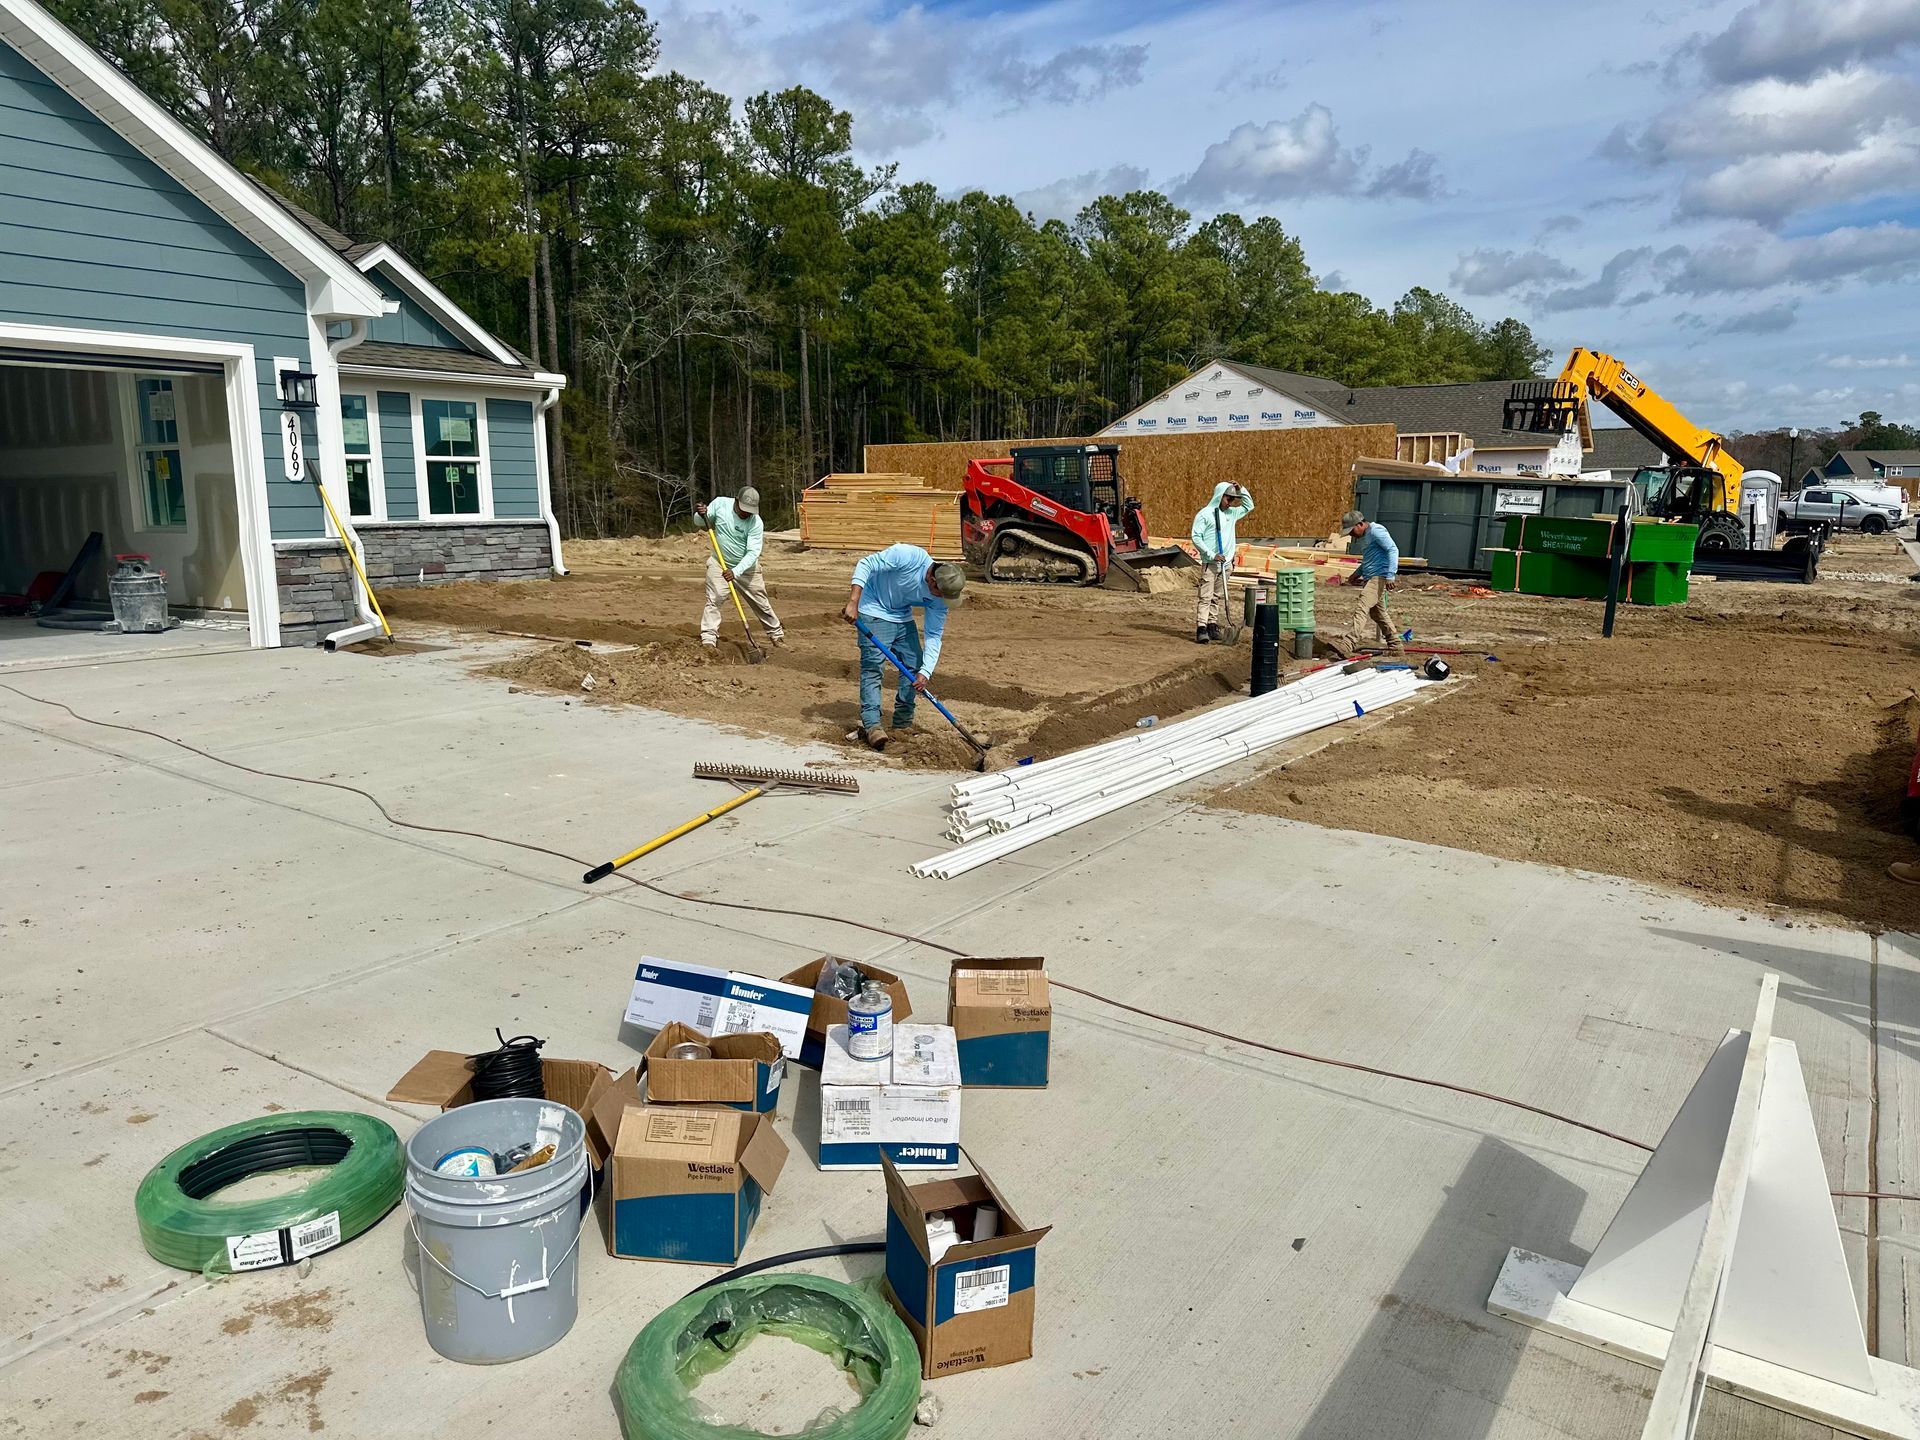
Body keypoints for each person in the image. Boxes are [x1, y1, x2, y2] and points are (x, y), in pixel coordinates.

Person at [840, 544, 966, 751]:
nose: (942, 599)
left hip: (901, 615)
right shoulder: (909, 556)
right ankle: (872, 725)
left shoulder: (940, 598)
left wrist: (926, 672)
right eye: (940, 594)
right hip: (873, 608)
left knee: (914, 667)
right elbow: (866, 563)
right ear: (932, 580)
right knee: (873, 667)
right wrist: (853, 602)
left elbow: (934, 634)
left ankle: (902, 724)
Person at [693, 486, 783, 654]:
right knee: (716, 598)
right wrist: (700, 514)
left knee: (760, 602)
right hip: (719, 563)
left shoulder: (756, 522)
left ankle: (776, 635)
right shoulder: (720, 504)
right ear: (736, 500)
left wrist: (736, 571)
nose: (746, 514)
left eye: (750, 511)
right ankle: (709, 638)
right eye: (744, 510)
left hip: (746, 568)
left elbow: (753, 553)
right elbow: (700, 522)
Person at [1189, 481, 1255, 643]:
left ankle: (1212, 625)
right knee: (1205, 597)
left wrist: (1241, 490)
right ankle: (1202, 628)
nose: (1230, 502)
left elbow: (1249, 506)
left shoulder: (1231, 513)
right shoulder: (1205, 514)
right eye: (1228, 498)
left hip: (1226, 564)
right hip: (1211, 563)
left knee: (1216, 597)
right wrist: (1211, 554)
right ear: (1219, 496)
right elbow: (1196, 536)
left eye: (1233, 499)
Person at [1341, 508, 1403, 655]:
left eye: (1351, 530)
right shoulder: (1365, 537)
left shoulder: (1376, 531)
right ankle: (1396, 646)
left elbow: (1393, 550)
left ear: (1360, 524)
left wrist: (1390, 575)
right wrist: (1356, 574)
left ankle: (1348, 643)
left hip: (1379, 577)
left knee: (1362, 606)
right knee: (1378, 614)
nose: (1351, 534)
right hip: (1371, 578)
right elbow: (1369, 559)